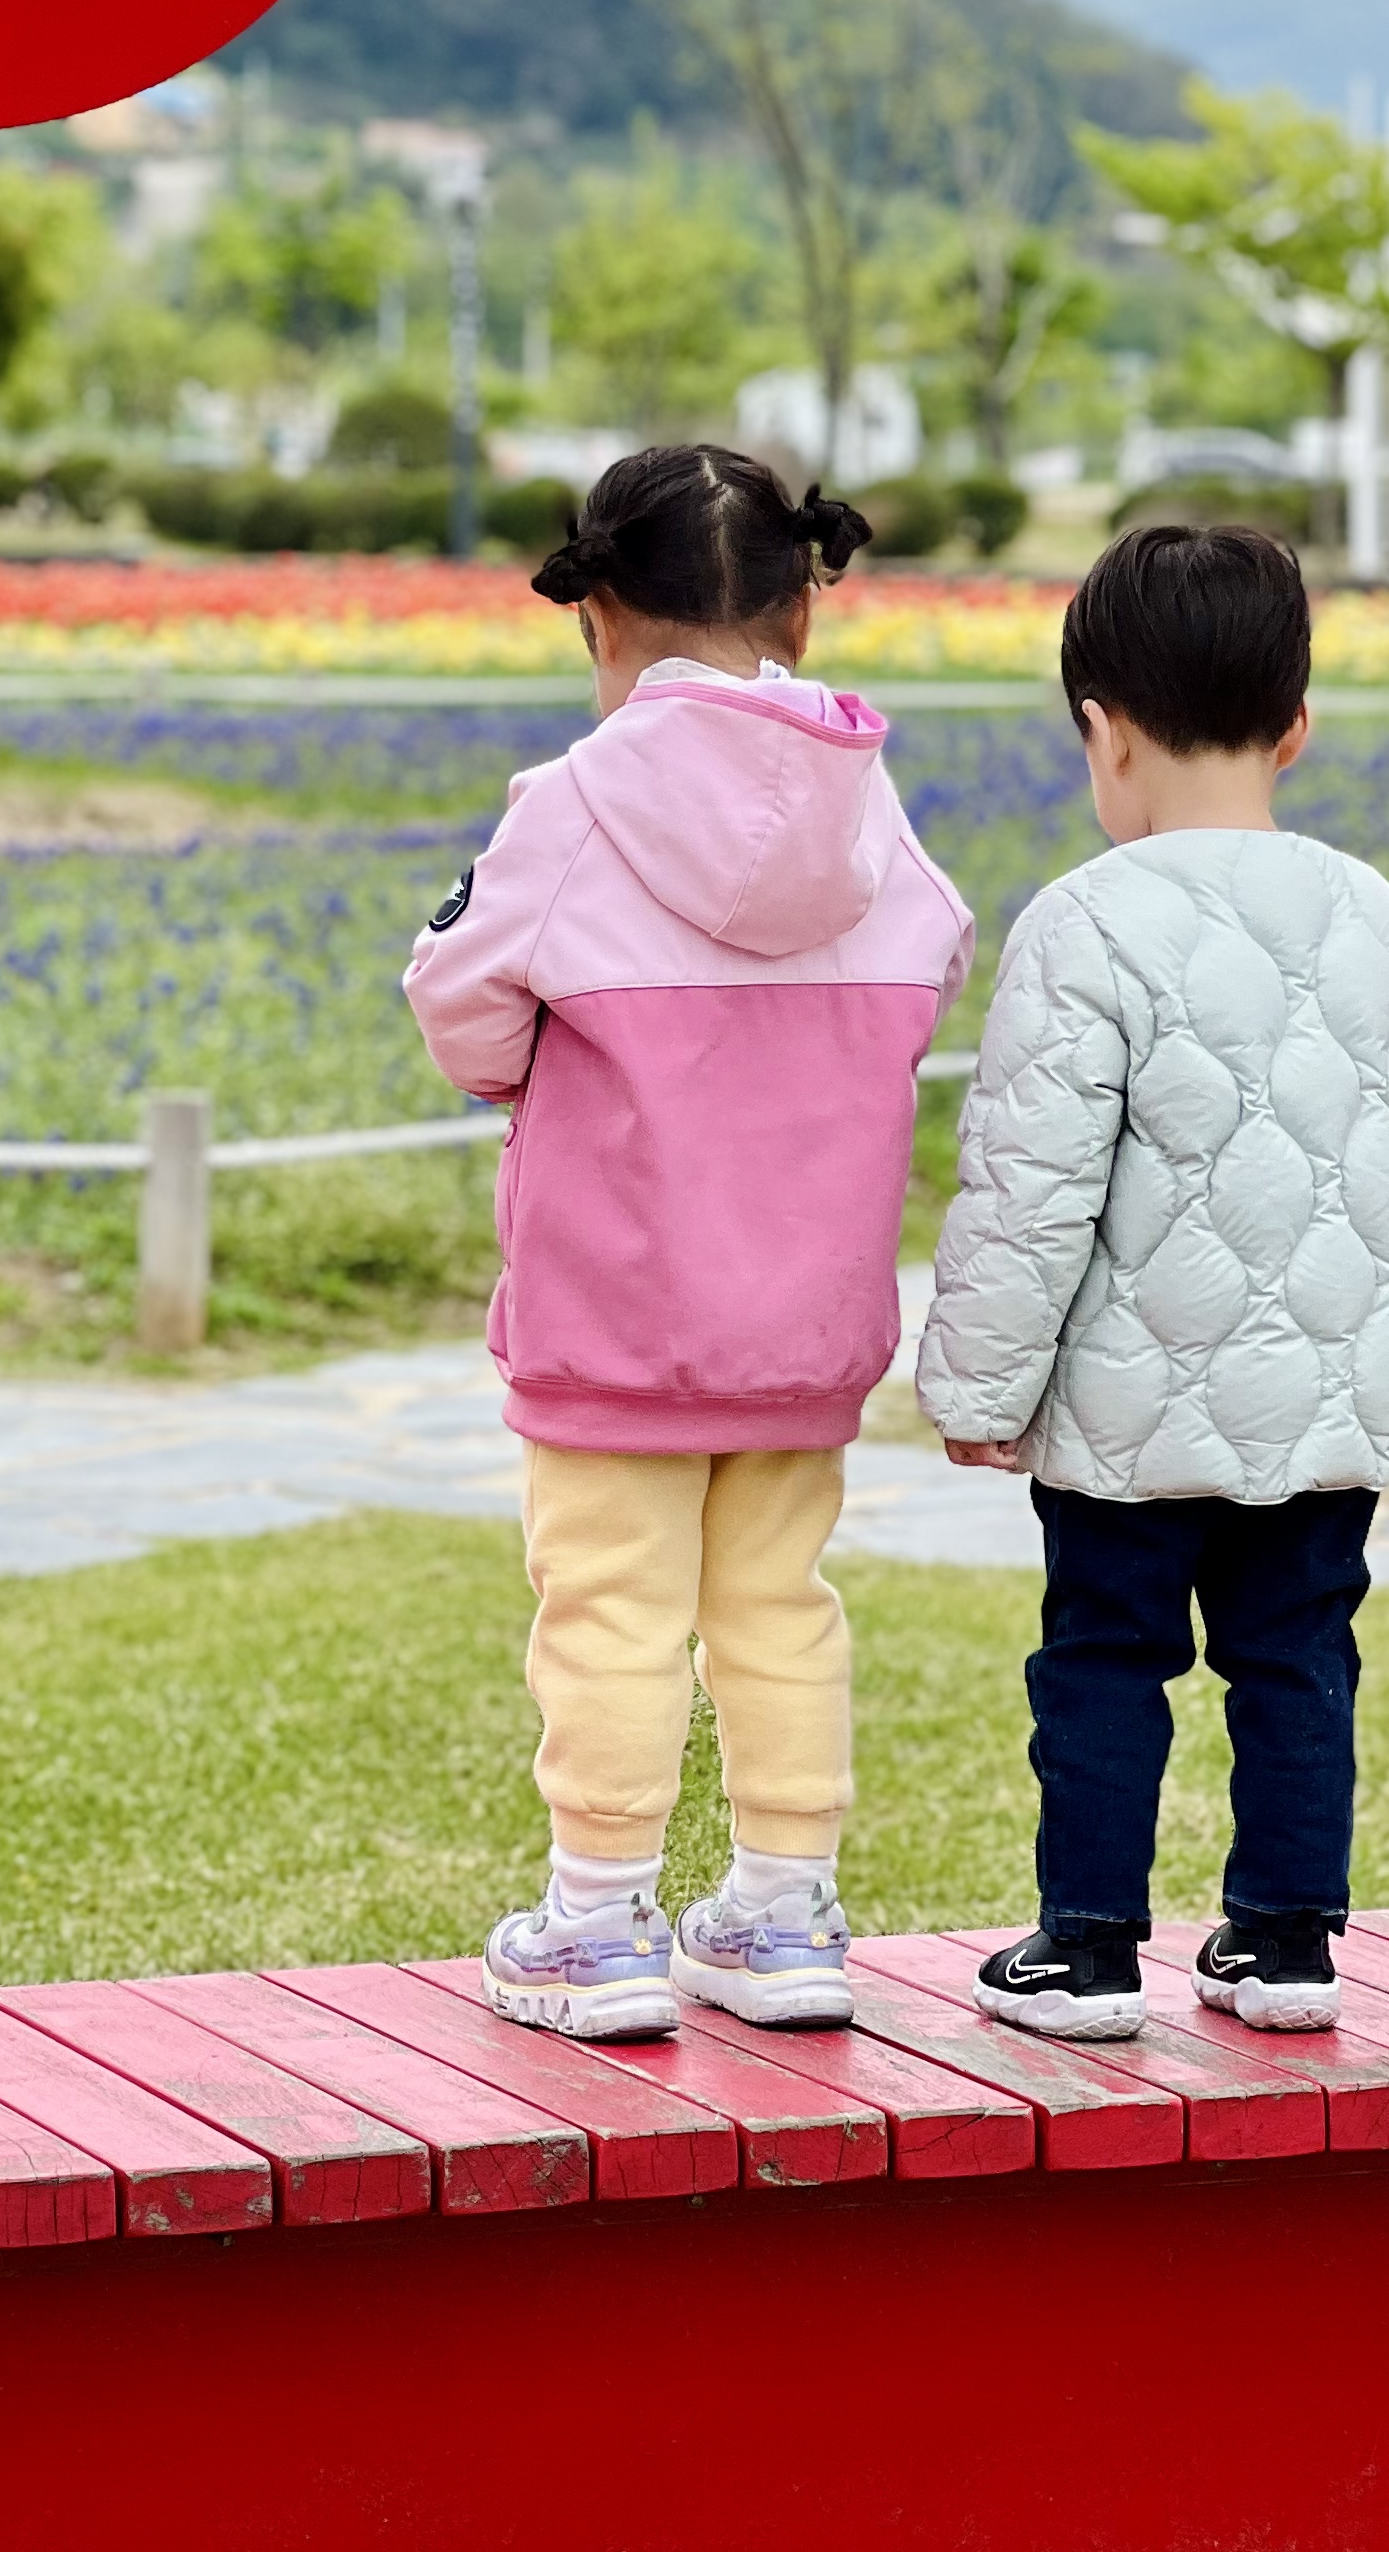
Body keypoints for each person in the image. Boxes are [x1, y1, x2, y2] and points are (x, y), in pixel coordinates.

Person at [406, 446, 974, 2039]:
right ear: (801, 611)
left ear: (602, 624)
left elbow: (457, 998)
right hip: (804, 1315)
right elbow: (936, 953)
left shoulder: (573, 806)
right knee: (781, 1605)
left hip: (616, 1309)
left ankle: (595, 1926)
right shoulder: (873, 806)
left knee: (607, 1607)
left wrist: (523, 1070)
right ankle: (784, 1917)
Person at [917, 522, 1389, 2039]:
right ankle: (1286, 1945)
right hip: (1327, 1407)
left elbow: (1031, 1194)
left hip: (1127, 1419)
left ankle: (1088, 1952)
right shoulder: (1375, 912)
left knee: (1106, 1658)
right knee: (1299, 1659)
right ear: (1297, 726)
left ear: (1102, 730)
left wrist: (977, 1388)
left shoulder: (1086, 922)